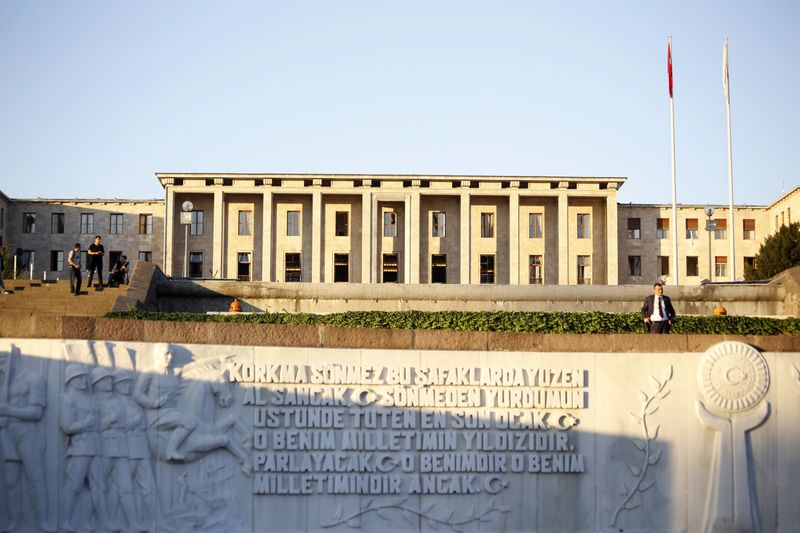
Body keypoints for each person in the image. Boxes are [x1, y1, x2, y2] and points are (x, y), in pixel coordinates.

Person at [0, 344, 54, 532]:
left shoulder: (34, 379)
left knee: (36, 477)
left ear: (15, 358)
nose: (1, 366)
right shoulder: (2, 383)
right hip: (7, 433)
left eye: (4, 360)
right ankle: (15, 522)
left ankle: (42, 522)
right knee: (10, 481)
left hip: (27, 433)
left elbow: (36, 412)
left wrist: (8, 410)